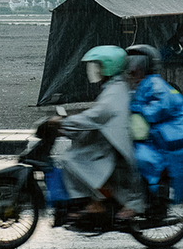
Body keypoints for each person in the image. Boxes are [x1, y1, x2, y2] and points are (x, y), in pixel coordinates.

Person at [55, 45, 145, 222]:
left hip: (113, 145)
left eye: (100, 66)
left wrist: (64, 123)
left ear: (109, 67)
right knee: (77, 154)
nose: (97, 70)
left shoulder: (115, 90)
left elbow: (96, 116)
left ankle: (98, 202)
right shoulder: (115, 86)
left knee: (72, 159)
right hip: (109, 139)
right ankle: (94, 200)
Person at [124, 44, 183, 210]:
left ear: (148, 66)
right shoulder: (143, 84)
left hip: (172, 135)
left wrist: (139, 110)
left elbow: (161, 106)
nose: (133, 70)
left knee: (139, 158)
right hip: (161, 134)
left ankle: (145, 201)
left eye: (137, 64)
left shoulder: (154, 83)